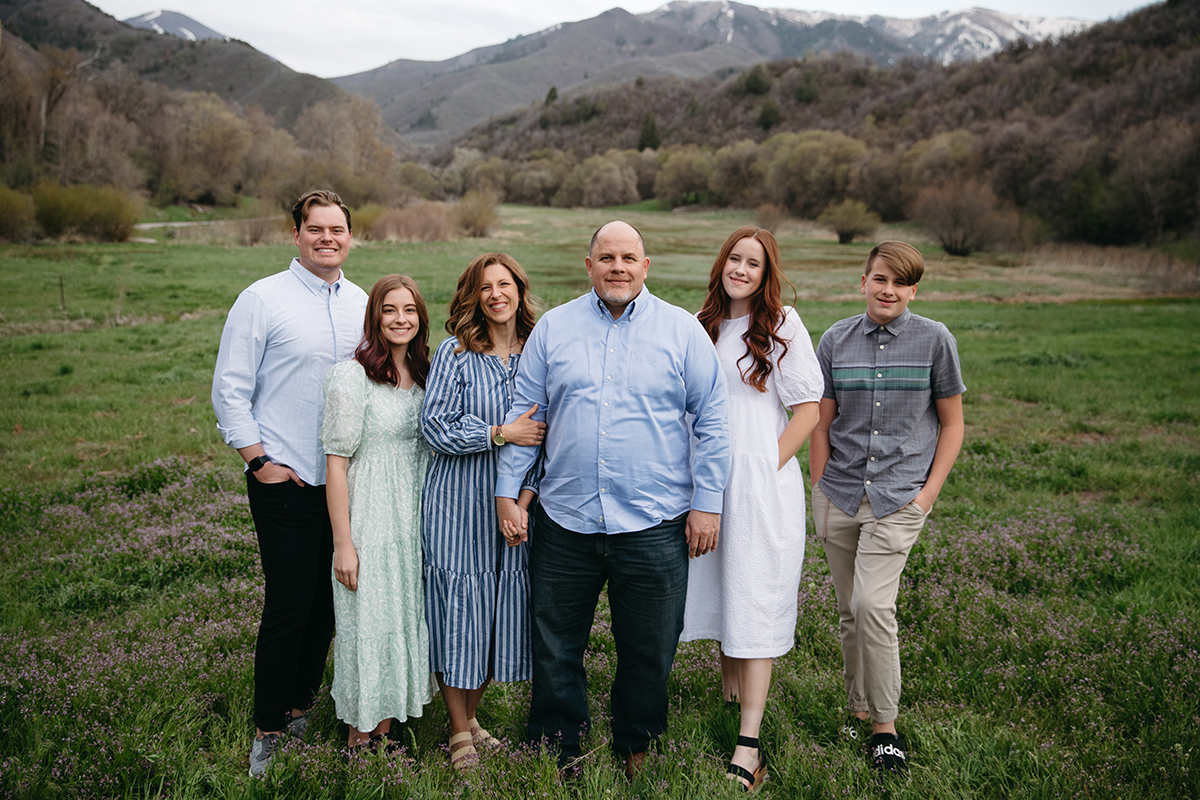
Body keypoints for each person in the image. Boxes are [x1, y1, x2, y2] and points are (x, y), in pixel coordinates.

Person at [495, 221, 730, 779]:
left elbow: (714, 421)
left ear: (646, 266)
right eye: (607, 257)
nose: (617, 267)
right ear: (589, 265)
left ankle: (636, 741)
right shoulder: (555, 328)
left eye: (628, 257)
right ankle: (558, 744)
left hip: (653, 521)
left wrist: (709, 501)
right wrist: (509, 493)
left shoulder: (682, 331)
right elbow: (527, 417)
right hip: (565, 519)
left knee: (650, 646)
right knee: (555, 644)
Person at [211, 190, 368, 776]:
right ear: (296, 235)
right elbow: (230, 387)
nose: (327, 239)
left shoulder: (361, 303)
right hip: (287, 478)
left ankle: (301, 705)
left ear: (350, 237)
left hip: (346, 483)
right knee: (288, 603)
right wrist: (259, 461)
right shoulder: (262, 299)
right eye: (315, 229)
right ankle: (268, 729)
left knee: (328, 605)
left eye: (337, 230)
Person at [809, 241, 965, 774]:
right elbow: (822, 422)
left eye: (900, 283)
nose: (888, 290)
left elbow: (953, 424)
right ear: (864, 281)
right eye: (880, 279)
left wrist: (927, 496)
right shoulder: (834, 339)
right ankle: (856, 705)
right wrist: (819, 486)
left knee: (875, 607)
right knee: (850, 612)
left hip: (899, 497)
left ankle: (884, 727)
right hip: (840, 494)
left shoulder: (935, 340)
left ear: (913, 290)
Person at [680, 226, 823, 791]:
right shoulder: (700, 325)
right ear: (721, 264)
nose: (741, 269)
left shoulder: (781, 324)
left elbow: (808, 411)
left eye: (754, 264)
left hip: (761, 483)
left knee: (754, 595)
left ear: (767, 275)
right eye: (734, 259)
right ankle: (729, 688)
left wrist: (766, 464)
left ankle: (749, 742)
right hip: (706, 483)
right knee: (718, 585)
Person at [420, 253, 546, 770]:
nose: (496, 294)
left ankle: (471, 716)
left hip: (515, 508)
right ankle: (458, 732)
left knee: (495, 616)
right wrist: (499, 433)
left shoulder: (537, 353)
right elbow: (435, 426)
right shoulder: (456, 353)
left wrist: (521, 503)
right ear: (473, 296)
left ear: (519, 288)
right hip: (457, 503)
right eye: (485, 287)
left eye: (504, 284)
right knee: (460, 615)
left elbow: (545, 438)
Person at [322, 275, 433, 750]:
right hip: (368, 516)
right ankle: (359, 738)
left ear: (420, 318)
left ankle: (387, 732)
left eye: (409, 310)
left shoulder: (428, 374)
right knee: (367, 622)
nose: (400, 319)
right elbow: (336, 463)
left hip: (414, 519)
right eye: (390, 310)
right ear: (375, 317)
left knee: (401, 619)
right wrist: (344, 544)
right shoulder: (352, 376)